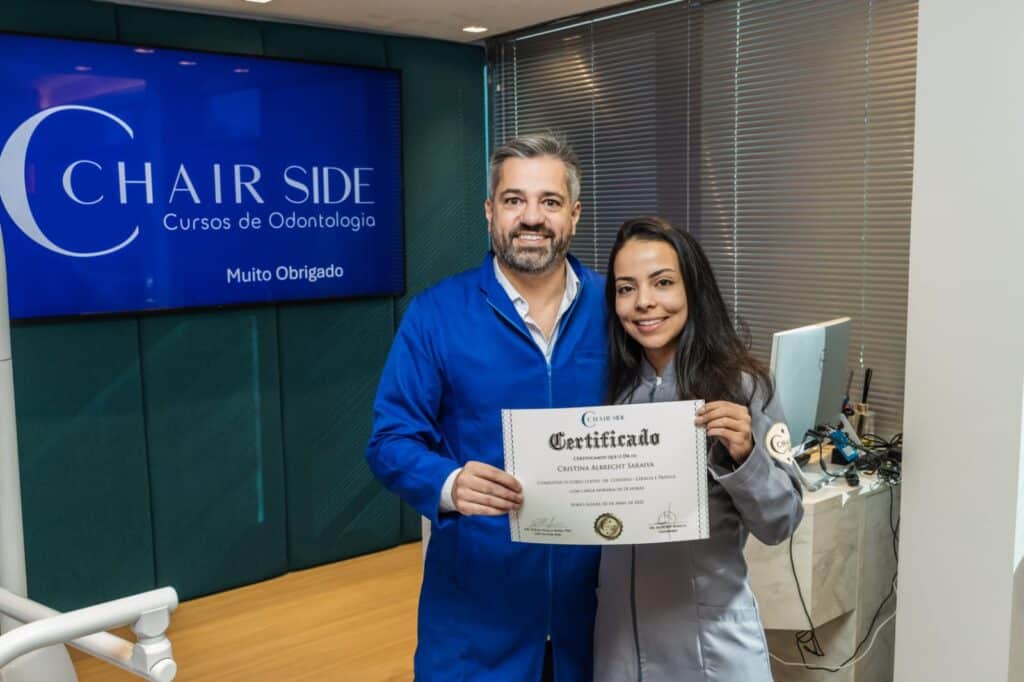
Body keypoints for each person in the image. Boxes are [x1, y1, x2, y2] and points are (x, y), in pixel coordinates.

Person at [366, 133, 607, 681]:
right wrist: (449, 482)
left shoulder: (616, 310)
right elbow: (388, 442)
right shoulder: (435, 315)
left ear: (574, 214)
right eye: (514, 199)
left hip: (593, 618)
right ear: (489, 211)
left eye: (549, 202)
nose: (532, 217)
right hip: (477, 621)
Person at [593, 217, 804, 681]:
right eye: (626, 289)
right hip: (619, 651)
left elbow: (780, 521)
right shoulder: (607, 395)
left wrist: (746, 454)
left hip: (712, 651)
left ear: (693, 289)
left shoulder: (742, 387)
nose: (644, 302)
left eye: (663, 283)